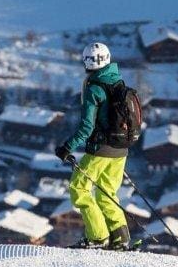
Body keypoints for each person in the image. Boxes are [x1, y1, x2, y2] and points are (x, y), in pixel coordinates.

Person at [55, 42, 131, 250]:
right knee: (107, 192)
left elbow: (87, 126)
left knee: (79, 188)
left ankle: (98, 237)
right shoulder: (117, 81)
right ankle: (120, 236)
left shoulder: (94, 87)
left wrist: (67, 147)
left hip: (101, 149)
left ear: (87, 61)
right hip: (121, 148)